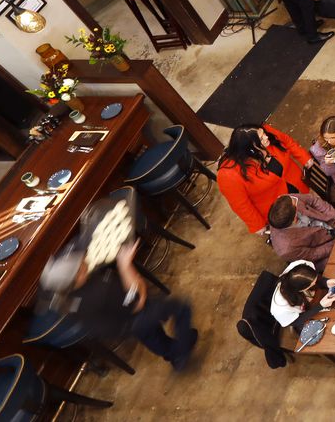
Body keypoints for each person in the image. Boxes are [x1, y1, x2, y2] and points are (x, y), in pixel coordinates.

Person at [42, 239, 198, 371]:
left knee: (151, 336)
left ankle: (172, 355)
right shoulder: (97, 294)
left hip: (122, 323)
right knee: (181, 308)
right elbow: (138, 299)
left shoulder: (70, 296)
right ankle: (181, 351)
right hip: (133, 317)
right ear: (76, 279)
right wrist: (125, 266)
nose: (83, 261)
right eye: (80, 266)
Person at [218, 124, 314, 235]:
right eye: (261, 139)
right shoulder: (228, 174)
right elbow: (241, 205)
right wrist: (257, 225)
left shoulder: (264, 132)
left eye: (264, 134)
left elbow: (286, 141)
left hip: (297, 186)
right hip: (279, 208)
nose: (266, 137)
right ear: (250, 148)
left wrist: (303, 157)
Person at [266, 193, 335, 271]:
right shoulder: (287, 249)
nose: (296, 199)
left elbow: (314, 200)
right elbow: (314, 253)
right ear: (295, 218)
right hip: (326, 249)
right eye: (295, 202)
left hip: (329, 221)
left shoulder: (287, 200)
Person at [270, 259, 335, 329]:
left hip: (311, 302)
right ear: (301, 289)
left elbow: (312, 278)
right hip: (302, 318)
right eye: (312, 284)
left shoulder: (300, 266)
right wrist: (321, 306)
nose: (314, 283)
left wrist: (326, 282)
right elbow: (296, 322)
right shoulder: (281, 310)